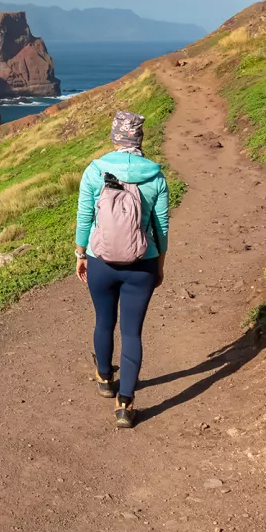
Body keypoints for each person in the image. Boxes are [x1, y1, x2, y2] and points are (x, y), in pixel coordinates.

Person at [74, 111, 170, 428]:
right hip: (141, 265)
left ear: (115, 137)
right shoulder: (155, 177)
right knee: (131, 332)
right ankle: (125, 405)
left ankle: (104, 378)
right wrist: (159, 263)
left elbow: (85, 214)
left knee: (104, 321)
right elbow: (161, 227)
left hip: (100, 261)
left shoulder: (94, 171)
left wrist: (81, 253)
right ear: (139, 138)